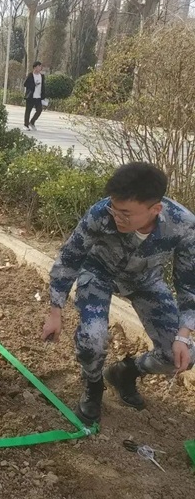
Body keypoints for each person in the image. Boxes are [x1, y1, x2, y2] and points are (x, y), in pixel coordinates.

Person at [41, 162, 195, 425]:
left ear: (155, 209)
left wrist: (184, 334)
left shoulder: (183, 225)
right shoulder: (101, 213)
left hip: (145, 280)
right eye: (114, 208)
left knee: (181, 355)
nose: (116, 217)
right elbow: (69, 259)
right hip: (98, 273)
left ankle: (125, 372)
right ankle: (93, 384)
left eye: (125, 214)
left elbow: (189, 285)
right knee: (92, 339)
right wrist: (56, 310)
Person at [23, 61, 46, 131]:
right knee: (28, 111)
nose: (40, 68)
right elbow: (25, 84)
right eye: (39, 66)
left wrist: (44, 95)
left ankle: (32, 122)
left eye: (40, 66)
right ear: (35, 67)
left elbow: (43, 86)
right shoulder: (30, 75)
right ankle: (25, 125)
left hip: (38, 97)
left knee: (39, 110)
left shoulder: (42, 76)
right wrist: (34, 85)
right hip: (30, 96)